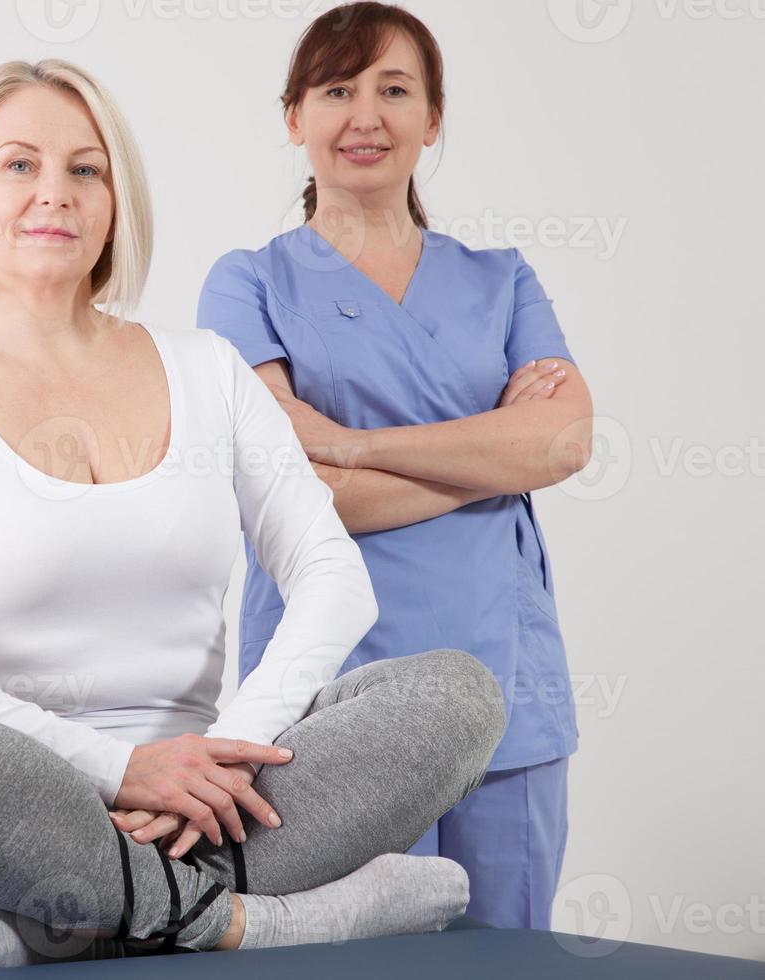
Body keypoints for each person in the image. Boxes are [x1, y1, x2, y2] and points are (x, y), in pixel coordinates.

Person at [0, 58, 505, 967]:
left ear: (116, 198)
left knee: (458, 692)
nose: (53, 193)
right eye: (19, 165)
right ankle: (249, 922)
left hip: (201, 811)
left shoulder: (207, 370)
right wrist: (115, 770)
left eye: (85, 168)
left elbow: (330, 575)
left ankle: (81, 921)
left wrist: (227, 749)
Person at [197, 2, 593, 930]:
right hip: (329, 690)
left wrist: (345, 441)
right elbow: (290, 489)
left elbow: (563, 443)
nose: (364, 115)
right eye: (336, 90)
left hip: (505, 677)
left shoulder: (502, 278)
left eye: (394, 89)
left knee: (509, 953)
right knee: (346, 951)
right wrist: (494, 450)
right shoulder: (247, 281)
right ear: (294, 118)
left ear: (433, 117)